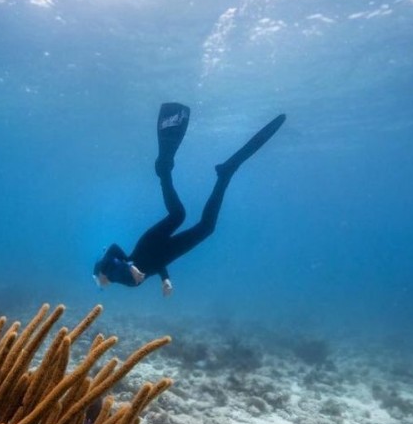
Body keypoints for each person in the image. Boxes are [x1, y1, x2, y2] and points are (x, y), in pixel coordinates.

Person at [93, 103, 286, 296]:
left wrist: (128, 265)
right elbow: (153, 264)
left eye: (97, 281)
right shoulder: (122, 280)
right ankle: (225, 173)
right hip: (164, 254)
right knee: (206, 227)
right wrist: (165, 279)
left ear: (100, 274)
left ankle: (165, 171)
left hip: (150, 243)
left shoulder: (110, 270)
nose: (100, 284)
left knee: (179, 215)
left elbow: (114, 249)